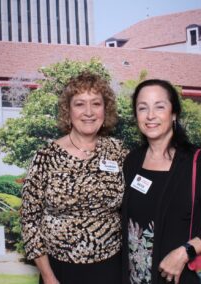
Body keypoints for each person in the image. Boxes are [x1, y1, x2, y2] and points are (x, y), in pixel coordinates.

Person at [121, 79, 201, 284]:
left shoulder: (199, 161)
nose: (150, 116)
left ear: (174, 113)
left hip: (179, 278)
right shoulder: (132, 161)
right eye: (142, 108)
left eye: (159, 107)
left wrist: (185, 252)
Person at [21, 72, 127, 284]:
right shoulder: (45, 157)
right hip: (59, 271)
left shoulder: (119, 152)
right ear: (68, 111)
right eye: (80, 104)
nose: (89, 112)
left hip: (111, 268)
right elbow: (29, 220)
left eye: (96, 103)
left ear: (105, 110)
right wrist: (49, 277)